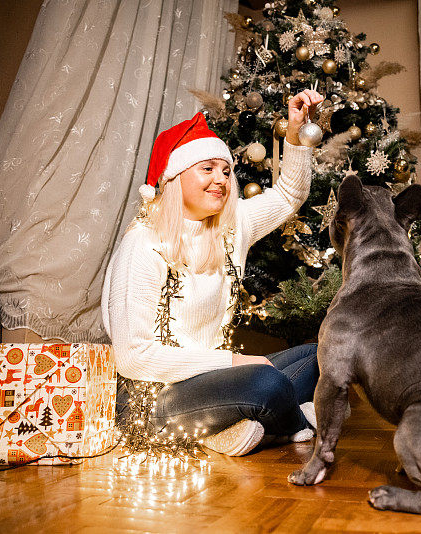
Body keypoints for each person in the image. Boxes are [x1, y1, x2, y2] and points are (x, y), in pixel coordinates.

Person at [101, 89, 325, 456]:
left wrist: (296, 135)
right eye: (207, 169)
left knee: (322, 353)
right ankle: (293, 424)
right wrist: (235, 362)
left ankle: (239, 426)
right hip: (151, 398)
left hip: (215, 380)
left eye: (226, 171)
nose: (221, 179)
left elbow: (289, 196)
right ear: (175, 177)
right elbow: (133, 357)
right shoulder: (142, 244)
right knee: (265, 383)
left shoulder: (231, 227)